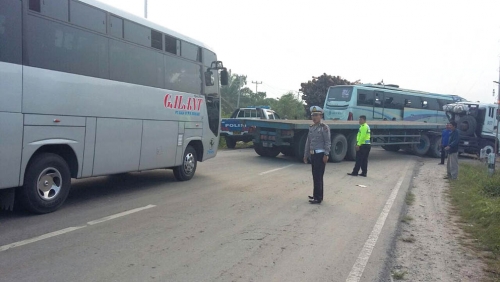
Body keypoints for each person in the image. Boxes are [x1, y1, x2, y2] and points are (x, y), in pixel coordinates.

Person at [303, 106, 331, 204]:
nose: (314, 117)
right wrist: (306, 155)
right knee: (315, 175)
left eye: (316, 115)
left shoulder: (324, 128)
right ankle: (316, 194)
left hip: (320, 155)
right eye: (313, 115)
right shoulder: (311, 128)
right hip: (313, 155)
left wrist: (326, 154)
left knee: (318, 176)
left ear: (321, 116)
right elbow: (308, 142)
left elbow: (327, 142)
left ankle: (318, 198)